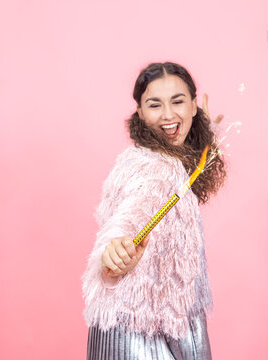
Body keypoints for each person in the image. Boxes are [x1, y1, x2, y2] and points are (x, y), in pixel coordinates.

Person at [82, 62, 226, 360]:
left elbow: (197, 163)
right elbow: (130, 216)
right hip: (138, 332)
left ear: (194, 106)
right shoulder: (155, 167)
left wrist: (207, 133)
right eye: (154, 105)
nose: (168, 115)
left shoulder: (163, 157)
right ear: (141, 113)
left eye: (178, 101)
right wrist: (115, 250)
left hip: (148, 321)